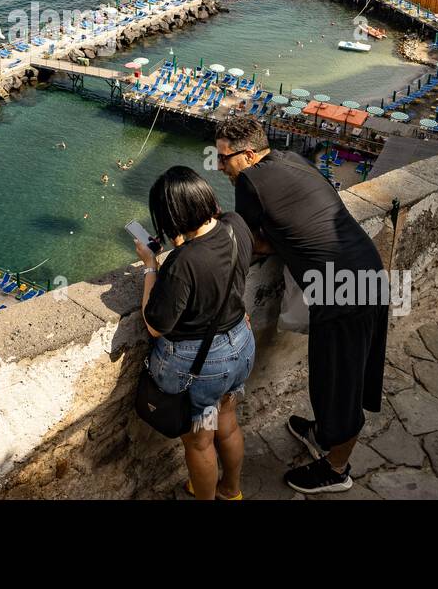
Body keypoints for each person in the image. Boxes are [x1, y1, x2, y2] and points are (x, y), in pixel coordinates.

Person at [214, 114, 389, 495]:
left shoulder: (249, 181)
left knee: (341, 386)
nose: (219, 166)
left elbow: (250, 242)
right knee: (335, 374)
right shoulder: (294, 159)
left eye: (224, 158)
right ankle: (323, 434)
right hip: (367, 269)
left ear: (246, 156)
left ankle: (337, 469)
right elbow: (293, 225)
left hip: (343, 292)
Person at [135, 166, 256, 501]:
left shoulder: (182, 262)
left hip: (201, 367)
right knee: (227, 422)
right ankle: (231, 490)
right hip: (240, 344)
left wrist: (150, 266)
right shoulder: (236, 226)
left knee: (200, 440)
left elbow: (155, 325)